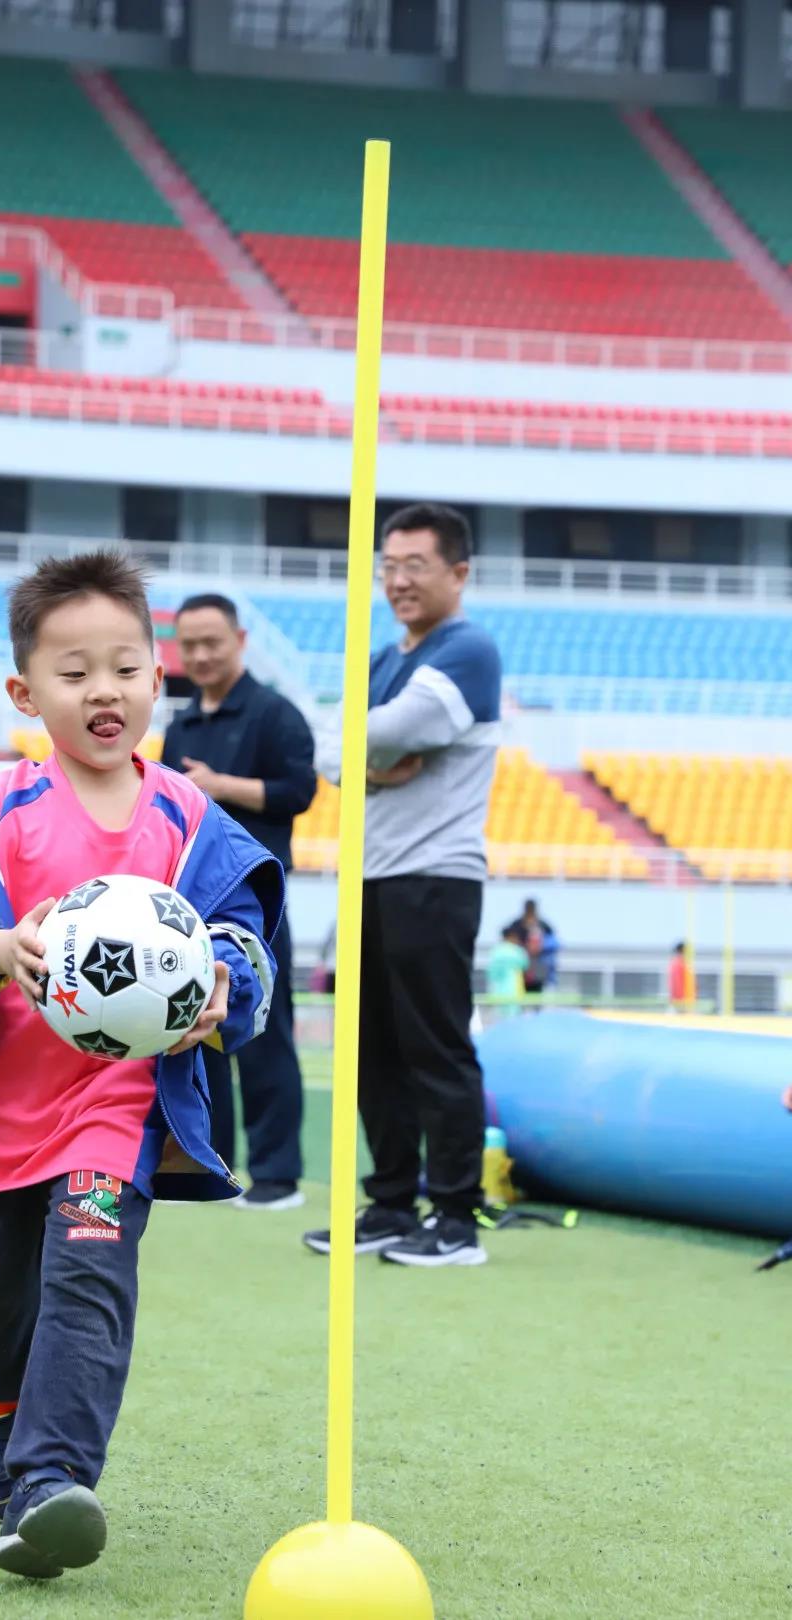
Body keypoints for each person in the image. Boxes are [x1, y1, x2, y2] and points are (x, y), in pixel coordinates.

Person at [0, 551, 283, 1582]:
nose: (104, 691)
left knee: (89, 1275)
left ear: (157, 679)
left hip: (117, 1109)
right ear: (25, 692)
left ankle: (49, 1484)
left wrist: (225, 984)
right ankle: (4, 1423)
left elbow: (247, 941)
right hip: (2, 1112)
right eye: (75, 672)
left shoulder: (191, 819)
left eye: (125, 668)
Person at [304, 502, 501, 1269]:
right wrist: (373, 761)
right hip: (374, 875)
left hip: (434, 877)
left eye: (416, 565)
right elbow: (331, 750)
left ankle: (454, 1217)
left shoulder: (469, 649)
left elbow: (379, 733)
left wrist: (365, 754)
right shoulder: (383, 659)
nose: (398, 581)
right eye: (389, 566)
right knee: (371, 1051)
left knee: (435, 1049)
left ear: (459, 572)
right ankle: (390, 1203)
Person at [162, 592, 316, 1211]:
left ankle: (277, 1177)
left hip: (257, 904)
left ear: (241, 641)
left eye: (212, 642)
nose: (200, 655)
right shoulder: (180, 725)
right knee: (198, 1032)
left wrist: (218, 786)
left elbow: (299, 791)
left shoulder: (276, 714)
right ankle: (213, 1166)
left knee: (265, 1035)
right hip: (188, 909)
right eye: (189, 645)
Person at [509, 898, 559, 995]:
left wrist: (541, 946)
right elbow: (510, 939)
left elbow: (553, 941)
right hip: (521, 963)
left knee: (537, 991)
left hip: (538, 964)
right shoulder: (517, 925)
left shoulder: (543, 925)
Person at [485, 924, 530, 1017]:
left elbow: (490, 973)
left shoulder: (495, 951)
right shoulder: (518, 951)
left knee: (499, 1018)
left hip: (496, 990)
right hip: (514, 989)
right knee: (514, 1018)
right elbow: (525, 965)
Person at [668, 941, 696, 1011]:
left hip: (682, 1000)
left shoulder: (680, 963)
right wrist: (681, 1000)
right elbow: (677, 983)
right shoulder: (678, 964)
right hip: (681, 1001)